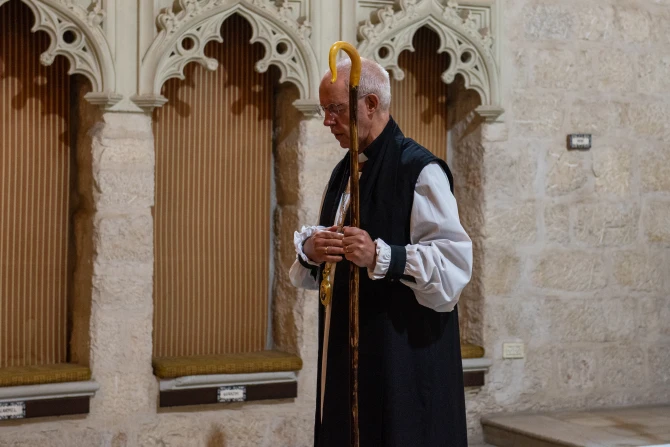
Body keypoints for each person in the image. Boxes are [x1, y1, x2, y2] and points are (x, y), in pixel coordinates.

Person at [289, 57, 473, 447]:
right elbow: (322, 270)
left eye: (336, 109)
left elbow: (454, 267)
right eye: (325, 110)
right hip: (349, 355)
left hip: (403, 359)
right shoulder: (344, 171)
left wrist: (379, 256)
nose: (327, 121)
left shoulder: (419, 171)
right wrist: (312, 249)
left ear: (370, 104)